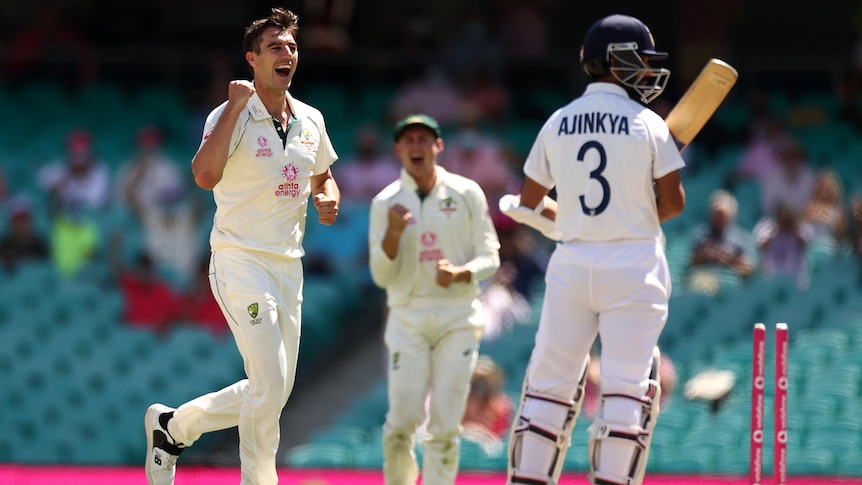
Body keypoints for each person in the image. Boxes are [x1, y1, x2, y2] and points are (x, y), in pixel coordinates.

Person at [144, 8, 341, 485]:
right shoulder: (229, 113)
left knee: (272, 389)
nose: (287, 53)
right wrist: (233, 105)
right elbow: (204, 176)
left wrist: (327, 198)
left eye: (291, 46)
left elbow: (324, 176)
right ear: (252, 59)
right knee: (269, 385)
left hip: (288, 265)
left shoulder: (310, 119)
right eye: (275, 46)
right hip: (239, 259)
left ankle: (172, 428)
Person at [498, 14, 686, 485]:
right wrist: (632, 203)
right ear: (617, 59)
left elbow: (531, 200)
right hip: (633, 264)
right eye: (640, 59)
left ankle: (529, 479)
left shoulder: (558, 121)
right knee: (627, 389)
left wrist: (584, 218)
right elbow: (674, 205)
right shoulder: (650, 124)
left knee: (549, 385)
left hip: (572, 263)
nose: (646, 69)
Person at [368, 113, 501, 485]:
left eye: (424, 139)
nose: (416, 146)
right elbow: (381, 274)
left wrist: (461, 272)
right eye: (408, 140)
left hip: (457, 316)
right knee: (401, 424)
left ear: (438, 146)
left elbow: (491, 256)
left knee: (444, 424)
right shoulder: (385, 202)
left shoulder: (466, 193)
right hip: (408, 317)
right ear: (397, 149)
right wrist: (393, 233)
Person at [686, 189, 758, 296]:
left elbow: (750, 269)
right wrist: (704, 254)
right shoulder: (700, 235)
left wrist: (730, 259)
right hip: (706, 278)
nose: (719, 219)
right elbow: (688, 264)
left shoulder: (741, 237)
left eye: (722, 215)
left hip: (732, 280)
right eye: (716, 215)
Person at [0, 196, 49, 272]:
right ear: (10, 223)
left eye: (24, 219)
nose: (21, 224)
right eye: (16, 220)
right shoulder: (4, 247)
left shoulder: (40, 246)